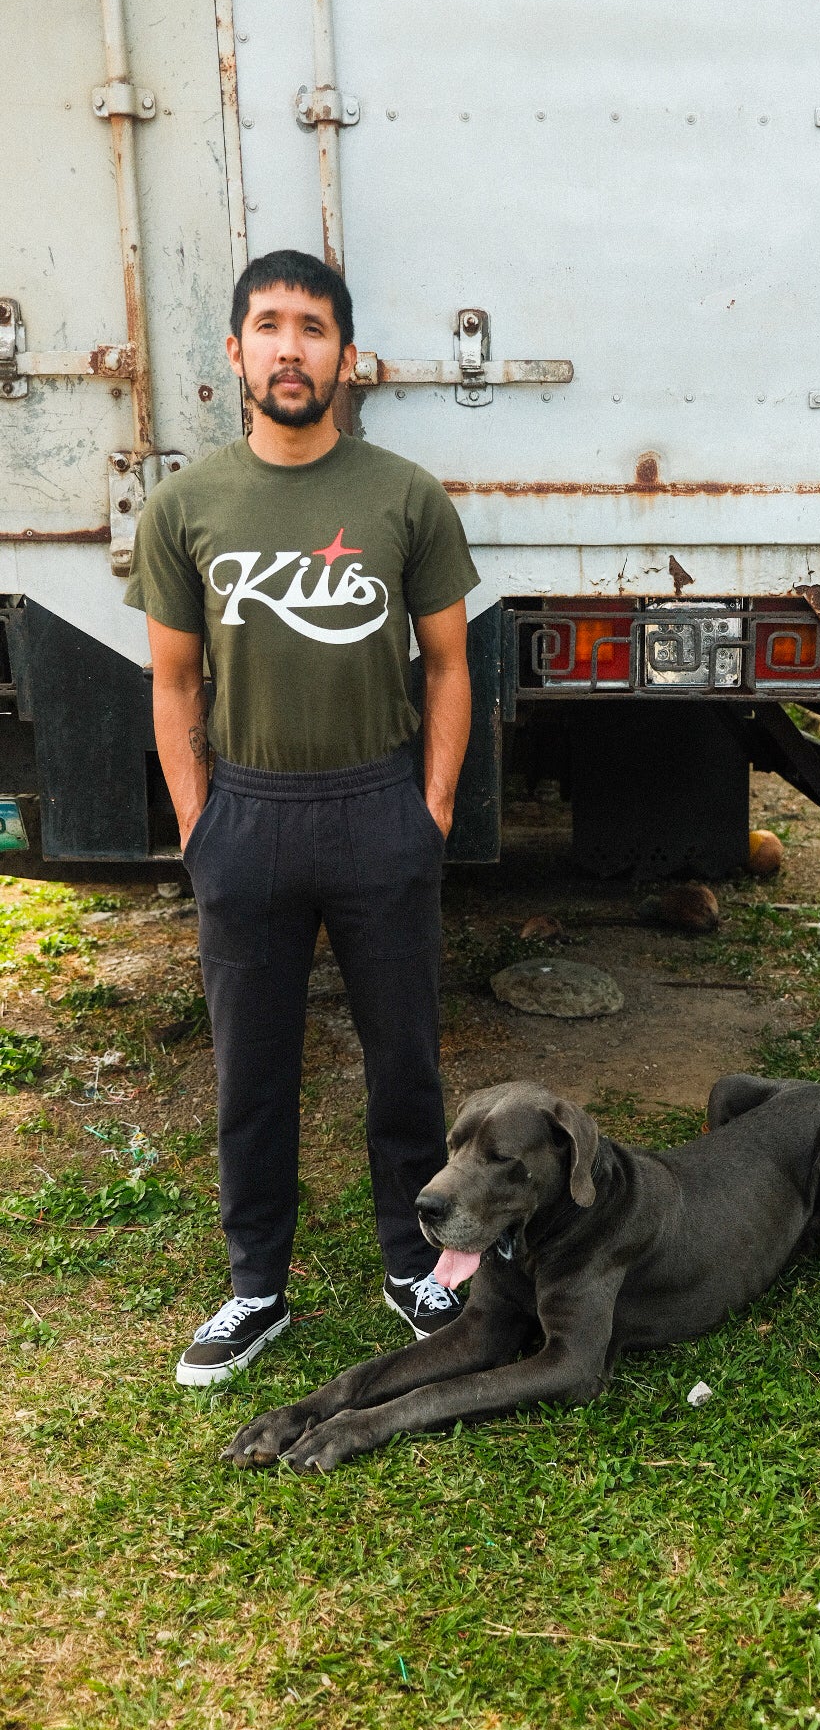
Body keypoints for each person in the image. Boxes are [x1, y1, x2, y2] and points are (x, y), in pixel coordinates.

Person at [125, 248, 479, 1386]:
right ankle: (254, 1288)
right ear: (234, 353)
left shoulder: (402, 497)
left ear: (345, 357)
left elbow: (449, 666)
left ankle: (418, 1267)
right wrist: (200, 825)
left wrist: (426, 810)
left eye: (312, 327)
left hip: (378, 809)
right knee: (252, 1068)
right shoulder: (187, 506)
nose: (290, 347)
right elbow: (173, 683)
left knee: (405, 1063)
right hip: (250, 818)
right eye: (268, 326)